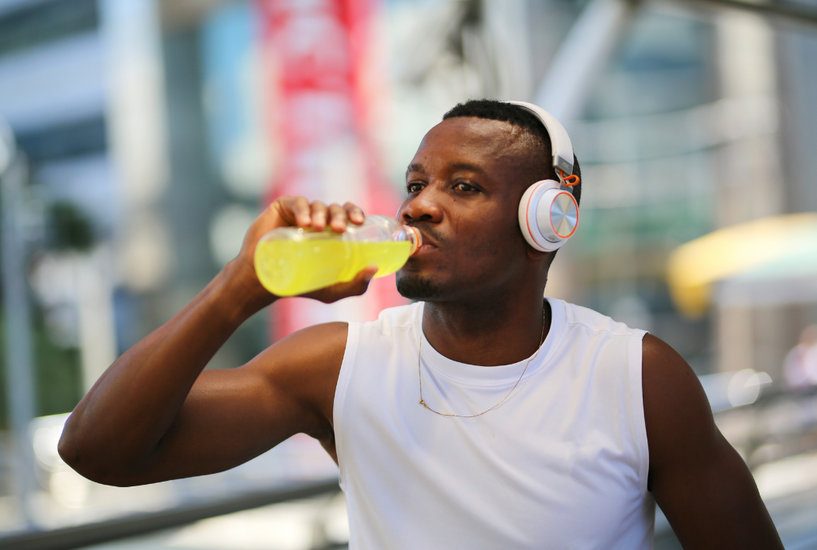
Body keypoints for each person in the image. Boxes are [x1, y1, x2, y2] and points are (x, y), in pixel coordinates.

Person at [59, 99, 783, 549]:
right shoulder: (337, 366)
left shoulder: (636, 376)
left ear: (547, 219)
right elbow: (98, 451)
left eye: (461, 187)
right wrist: (237, 288)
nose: (416, 207)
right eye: (413, 185)